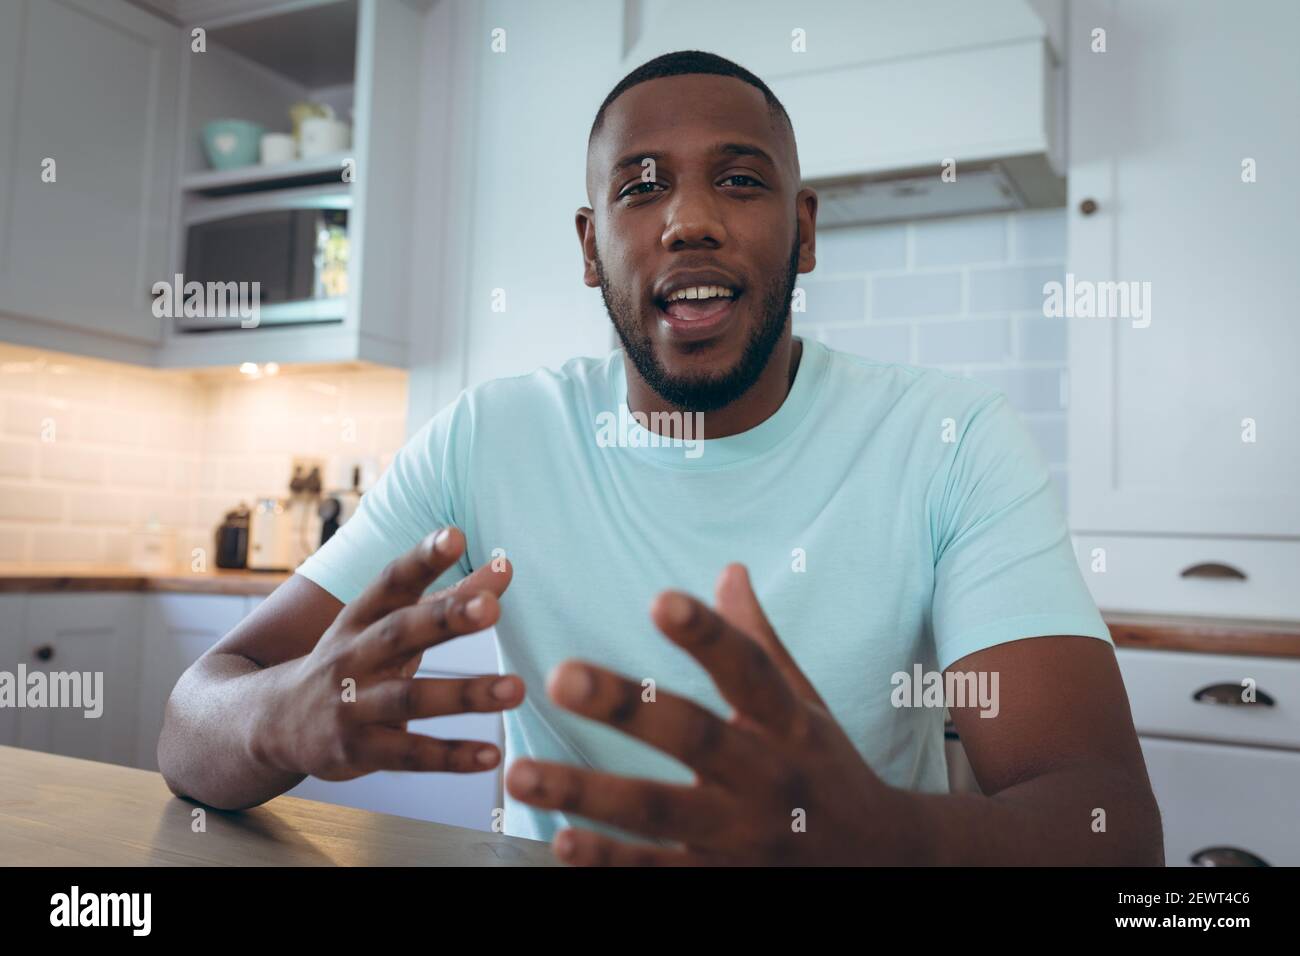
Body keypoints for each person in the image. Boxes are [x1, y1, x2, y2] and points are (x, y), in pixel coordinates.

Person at [159, 50, 1163, 866]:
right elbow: (192, 719)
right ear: (591, 248)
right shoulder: (490, 438)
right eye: (642, 189)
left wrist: (884, 836)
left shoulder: (948, 438)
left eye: (738, 179)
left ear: (802, 231)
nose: (689, 218)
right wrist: (275, 720)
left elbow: (1111, 823)